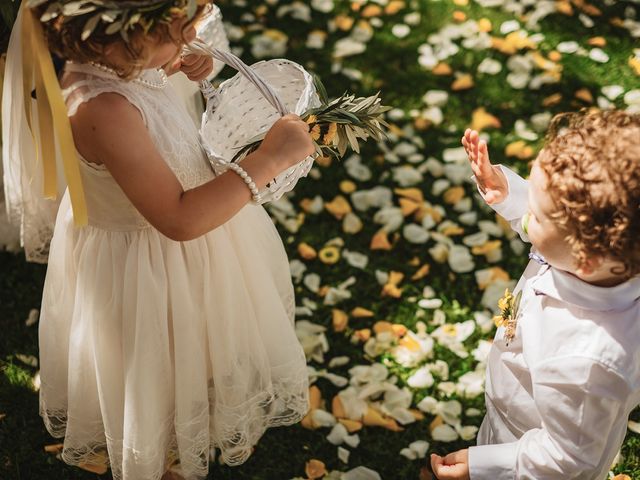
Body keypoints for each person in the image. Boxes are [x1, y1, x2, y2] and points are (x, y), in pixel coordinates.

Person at [2, 1, 315, 479]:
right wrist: (268, 160)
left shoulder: (116, 67)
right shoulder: (102, 109)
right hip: (148, 270)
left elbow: (158, 99)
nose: (188, 40)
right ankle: (165, 462)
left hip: (184, 255)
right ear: (126, 39)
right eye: (177, 33)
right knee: (158, 377)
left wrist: (184, 66)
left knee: (196, 357)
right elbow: (177, 218)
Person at [431, 110, 640, 479]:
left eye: (538, 214)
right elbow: (548, 227)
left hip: (529, 446)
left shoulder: (587, 361)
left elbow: (567, 458)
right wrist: (509, 193)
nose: (528, 215)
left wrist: (483, 466)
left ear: (585, 259)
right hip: (516, 406)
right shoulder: (606, 259)